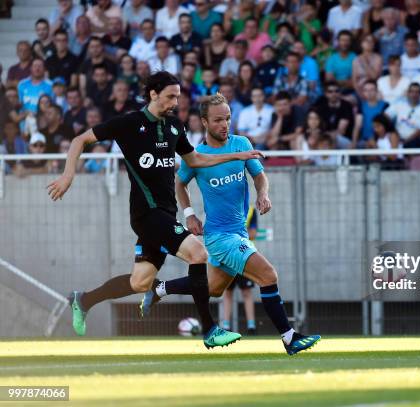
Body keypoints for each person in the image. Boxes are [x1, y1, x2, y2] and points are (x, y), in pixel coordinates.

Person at [47, 71, 263, 349]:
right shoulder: (128, 123)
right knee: (198, 253)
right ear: (153, 94)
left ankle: (84, 299)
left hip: (165, 214)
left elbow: (195, 159)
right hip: (146, 214)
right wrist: (68, 175)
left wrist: (237, 155)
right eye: (171, 95)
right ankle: (210, 330)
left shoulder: (174, 126)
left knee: (140, 282)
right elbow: (80, 140)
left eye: (178, 96)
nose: (175, 101)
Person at [139, 93, 321, 355]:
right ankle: (289, 337)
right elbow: (179, 183)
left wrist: (263, 194)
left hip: (239, 232)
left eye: (227, 119)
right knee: (268, 275)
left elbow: (259, 176)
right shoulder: (197, 156)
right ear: (204, 122)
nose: (224, 125)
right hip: (219, 237)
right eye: (217, 120)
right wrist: (189, 214)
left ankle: (160, 288)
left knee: (212, 288)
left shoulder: (241, 144)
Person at [221, 206, 258, 334]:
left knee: (246, 291)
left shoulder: (251, 210)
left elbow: (253, 234)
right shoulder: (225, 207)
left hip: (243, 255)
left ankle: (251, 326)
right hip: (229, 254)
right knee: (227, 292)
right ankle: (226, 325)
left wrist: (235, 234)